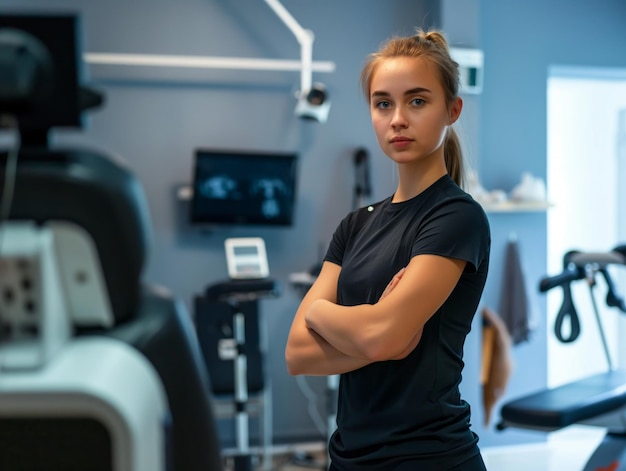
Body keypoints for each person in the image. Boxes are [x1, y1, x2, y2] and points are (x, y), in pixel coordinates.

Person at [285, 27, 491, 471]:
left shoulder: (456, 216)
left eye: (417, 101)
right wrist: (377, 335)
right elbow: (297, 353)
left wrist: (323, 314)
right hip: (349, 459)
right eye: (384, 103)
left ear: (452, 110)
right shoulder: (355, 224)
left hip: (429, 457)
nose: (398, 118)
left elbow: (383, 335)